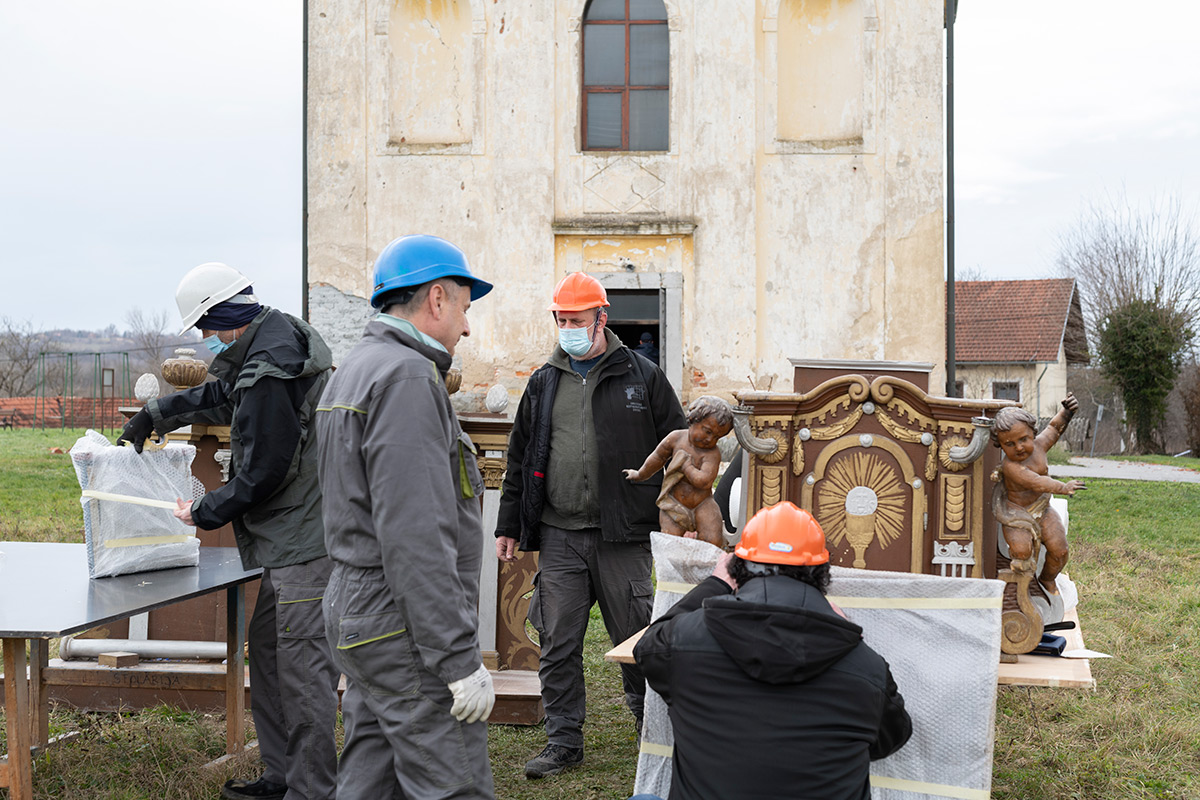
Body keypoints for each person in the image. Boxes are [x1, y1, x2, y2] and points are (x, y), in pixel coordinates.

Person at [117, 262, 338, 800]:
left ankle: (311, 789)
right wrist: (156, 414)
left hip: (304, 539)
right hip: (293, 534)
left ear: (226, 317)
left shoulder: (270, 369)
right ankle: (282, 776)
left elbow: (264, 471)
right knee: (269, 650)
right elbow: (221, 395)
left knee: (302, 668)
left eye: (205, 327)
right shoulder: (272, 339)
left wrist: (205, 510)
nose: (204, 338)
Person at [315, 235, 496, 799]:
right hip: (403, 623)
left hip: (361, 611)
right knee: (453, 783)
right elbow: (415, 536)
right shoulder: (407, 378)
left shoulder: (356, 368)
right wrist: (457, 659)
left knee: (371, 778)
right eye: (464, 307)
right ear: (436, 299)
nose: (467, 327)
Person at [495, 271, 686, 779]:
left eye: (576, 320)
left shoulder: (642, 376)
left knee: (638, 641)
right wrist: (508, 524)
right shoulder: (543, 381)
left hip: (624, 534)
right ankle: (563, 742)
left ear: (602, 318)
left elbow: (680, 446)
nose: (568, 329)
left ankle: (653, 734)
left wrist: (680, 512)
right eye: (561, 320)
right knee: (557, 642)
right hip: (560, 533)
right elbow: (520, 457)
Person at [632, 501, 913, 800]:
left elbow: (647, 648)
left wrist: (715, 583)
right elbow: (890, 739)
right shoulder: (866, 669)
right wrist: (844, 633)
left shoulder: (685, 642)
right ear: (821, 574)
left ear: (737, 569)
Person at [991, 394, 1084, 596]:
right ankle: (1019, 593)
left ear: (1032, 433)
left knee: (1060, 550)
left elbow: (1054, 428)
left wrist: (1067, 412)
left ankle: (1046, 580)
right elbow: (1036, 481)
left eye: (1023, 439)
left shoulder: (1040, 446)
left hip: (1042, 509)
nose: (1019, 447)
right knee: (1021, 553)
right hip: (1016, 515)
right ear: (1000, 445)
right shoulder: (1010, 466)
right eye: (1010, 444)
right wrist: (1063, 487)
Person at [622, 395, 734, 547]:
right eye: (708, 431)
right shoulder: (675, 438)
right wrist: (640, 474)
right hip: (674, 503)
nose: (710, 439)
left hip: (702, 503)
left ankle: (705, 560)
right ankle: (674, 560)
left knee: (713, 539)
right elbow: (657, 458)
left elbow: (704, 481)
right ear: (693, 420)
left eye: (717, 437)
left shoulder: (712, 454)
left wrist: (686, 467)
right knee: (670, 542)